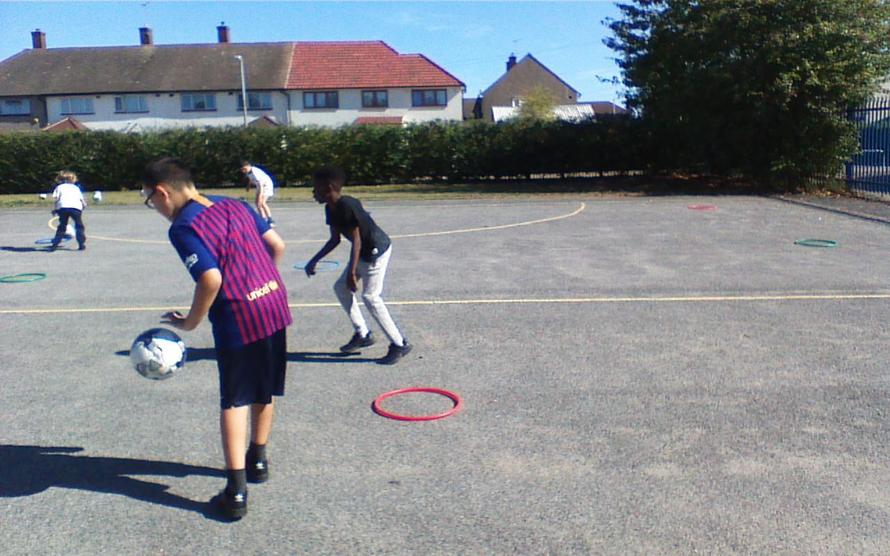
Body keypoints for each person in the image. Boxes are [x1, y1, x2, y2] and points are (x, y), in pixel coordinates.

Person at [142, 157, 292, 520]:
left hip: (239, 316)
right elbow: (277, 246)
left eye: (150, 200)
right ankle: (258, 461)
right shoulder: (234, 204)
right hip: (273, 302)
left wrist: (191, 322)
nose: (154, 207)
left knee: (235, 400)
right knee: (264, 387)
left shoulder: (183, 227)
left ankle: (235, 492)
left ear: (162, 193)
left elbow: (210, 279)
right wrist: (260, 281)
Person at [305, 166, 412, 365]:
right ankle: (363, 334)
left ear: (329, 187)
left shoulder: (347, 205)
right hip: (362, 251)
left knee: (371, 297)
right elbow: (335, 239)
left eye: (316, 187)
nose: (313, 192)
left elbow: (357, 240)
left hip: (375, 250)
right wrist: (314, 259)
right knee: (341, 288)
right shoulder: (330, 208)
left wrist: (352, 272)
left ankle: (399, 343)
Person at [49, 170, 86, 251]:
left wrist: (55, 209)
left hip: (63, 207)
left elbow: (56, 199)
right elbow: (82, 200)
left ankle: (55, 243)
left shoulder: (59, 187)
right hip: (75, 208)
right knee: (79, 225)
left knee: (62, 225)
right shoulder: (76, 188)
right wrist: (83, 206)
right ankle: (81, 243)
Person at [240, 160, 276, 227]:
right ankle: (263, 219)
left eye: (244, 169)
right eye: (242, 169)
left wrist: (260, 196)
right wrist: (248, 186)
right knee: (257, 203)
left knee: (262, 202)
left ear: (249, 166)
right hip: (260, 186)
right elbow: (251, 179)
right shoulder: (248, 172)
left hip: (266, 185)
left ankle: (270, 220)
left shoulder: (255, 172)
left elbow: (261, 185)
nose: (244, 171)